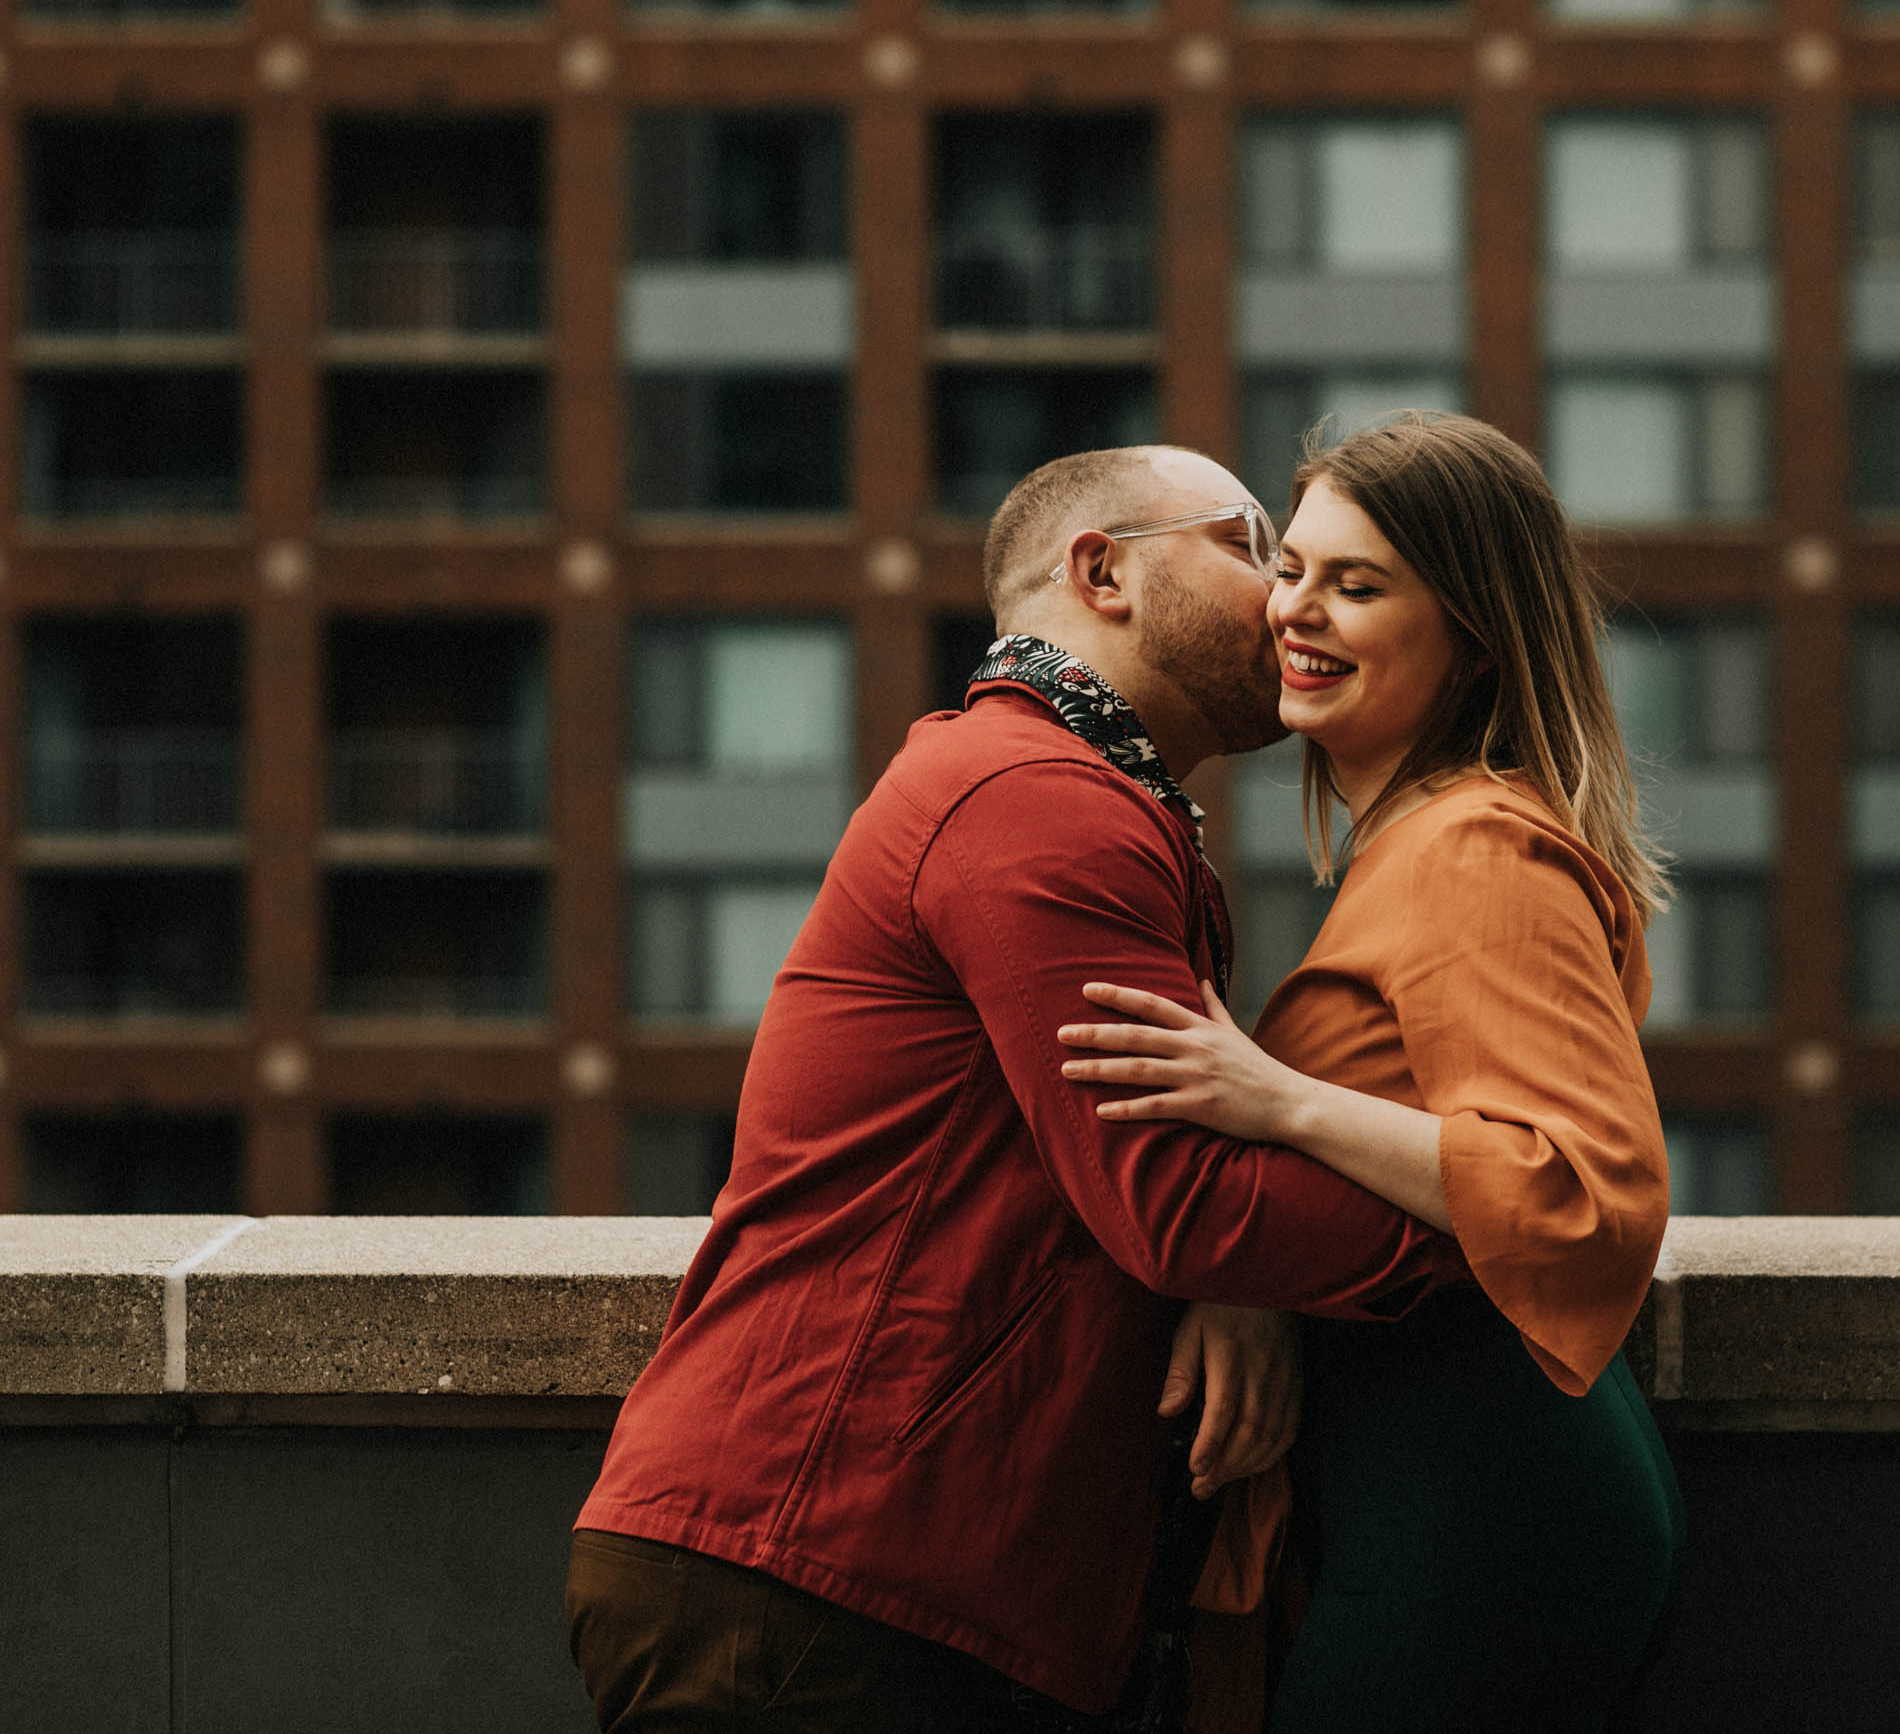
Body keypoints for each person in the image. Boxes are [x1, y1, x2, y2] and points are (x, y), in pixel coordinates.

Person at [568, 444, 1468, 1733]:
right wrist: (1505, 1214)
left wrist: (1248, 1285)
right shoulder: (1038, 801)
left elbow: (1154, 1189)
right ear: (1103, 570)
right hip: (820, 1585)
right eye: (1248, 544)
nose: (1283, 593)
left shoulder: (1062, 793)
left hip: (873, 1575)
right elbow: (1182, 1206)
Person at [1059, 414, 1685, 1734]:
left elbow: (1575, 1189)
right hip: (1445, 1480)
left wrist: (1272, 1097)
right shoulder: (1418, 841)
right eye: (1291, 569)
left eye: (1358, 586)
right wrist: (1258, 1288)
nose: (1297, 612)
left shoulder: (1474, 849)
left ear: (1473, 636)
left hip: (1484, 1493)